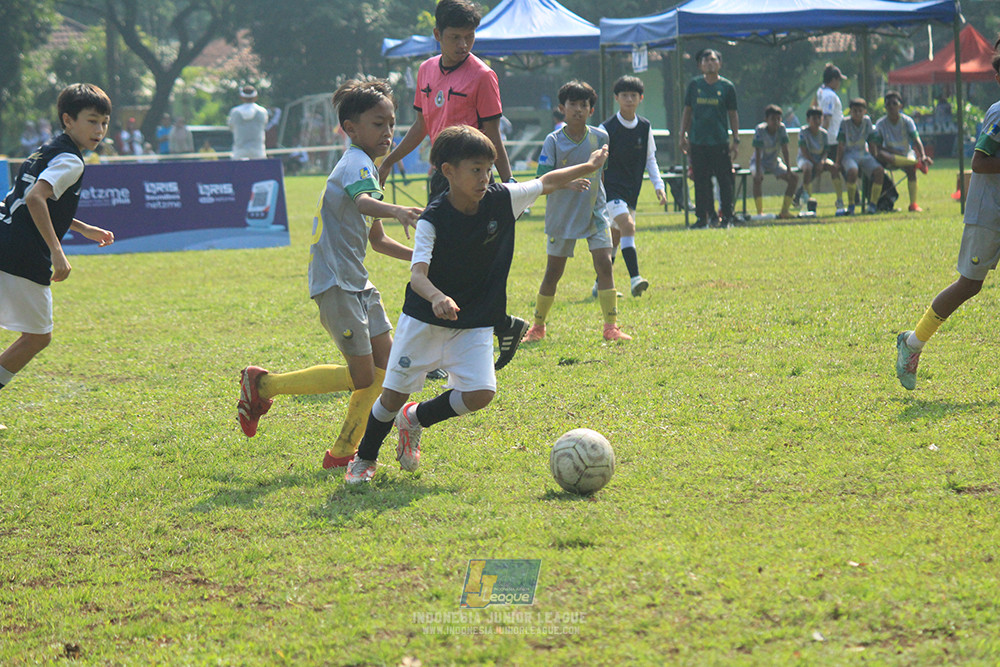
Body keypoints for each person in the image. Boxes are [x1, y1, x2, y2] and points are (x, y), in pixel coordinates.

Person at [343, 125, 609, 483]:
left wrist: (588, 166)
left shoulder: (502, 198)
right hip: (424, 319)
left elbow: (547, 181)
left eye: (488, 168)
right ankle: (364, 459)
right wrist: (437, 296)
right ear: (448, 171)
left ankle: (415, 418)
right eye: (476, 169)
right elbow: (418, 275)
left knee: (481, 393)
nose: (485, 177)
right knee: (391, 396)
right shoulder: (433, 219)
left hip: (475, 319)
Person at [238, 78, 423, 469]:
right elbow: (365, 203)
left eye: (391, 122)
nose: (388, 131)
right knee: (362, 376)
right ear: (350, 128)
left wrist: (422, 259)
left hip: (358, 282)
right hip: (336, 284)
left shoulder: (367, 167)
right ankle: (263, 385)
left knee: (385, 369)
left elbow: (378, 242)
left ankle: (341, 452)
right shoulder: (356, 163)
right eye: (378, 123)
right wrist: (397, 210)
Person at [375, 0, 527, 372]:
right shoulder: (426, 70)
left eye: (470, 37)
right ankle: (498, 327)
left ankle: (475, 336)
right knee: (441, 263)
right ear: (437, 35)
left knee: (456, 264)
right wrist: (391, 159)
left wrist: (506, 184)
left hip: (474, 180)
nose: (464, 44)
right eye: (456, 37)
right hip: (439, 176)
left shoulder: (482, 75)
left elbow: (493, 134)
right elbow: (423, 125)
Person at [0, 84, 116, 421]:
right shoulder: (70, 159)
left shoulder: (45, 150)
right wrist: (57, 251)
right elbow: (36, 199)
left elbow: (26, 198)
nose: (99, 130)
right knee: (38, 337)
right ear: (68, 120)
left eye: (104, 123)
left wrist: (82, 228)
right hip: (21, 253)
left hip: (5, 237)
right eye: (92, 121)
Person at [895, 45, 1000, 391]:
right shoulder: (998, 114)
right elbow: (979, 162)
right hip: (988, 213)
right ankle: (912, 343)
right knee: (969, 285)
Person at [521, 80, 631, 345]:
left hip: (594, 212)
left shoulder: (600, 137)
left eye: (584, 105)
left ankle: (611, 326)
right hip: (563, 214)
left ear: (591, 110)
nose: (579, 110)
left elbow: (600, 176)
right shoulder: (553, 141)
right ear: (562, 108)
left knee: (605, 264)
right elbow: (542, 179)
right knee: (553, 272)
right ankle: (537, 326)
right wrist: (568, 183)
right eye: (573, 104)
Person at [594, 75, 667, 299]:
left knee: (616, 238)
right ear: (616, 98)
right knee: (628, 225)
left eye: (633, 95)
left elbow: (650, 159)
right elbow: (595, 163)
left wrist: (659, 185)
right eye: (624, 95)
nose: (629, 99)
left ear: (640, 98)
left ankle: (600, 285)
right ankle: (635, 279)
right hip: (610, 191)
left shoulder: (645, 127)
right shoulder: (606, 129)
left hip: (631, 191)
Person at [681, 48, 739, 229]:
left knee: (724, 180)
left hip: (719, 141)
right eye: (705, 61)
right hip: (698, 141)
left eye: (713, 60)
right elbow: (687, 111)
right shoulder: (694, 85)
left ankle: (727, 217)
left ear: (720, 64)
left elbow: (733, 114)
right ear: (700, 66)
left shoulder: (727, 87)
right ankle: (703, 217)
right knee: (700, 181)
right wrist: (682, 134)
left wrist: (735, 139)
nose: (709, 63)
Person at [874, 90, 933, 212]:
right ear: (885, 107)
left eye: (894, 103)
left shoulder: (907, 121)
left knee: (911, 171)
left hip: (906, 155)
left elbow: (917, 140)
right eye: (888, 104)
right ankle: (917, 164)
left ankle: (913, 204)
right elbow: (878, 147)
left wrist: (922, 155)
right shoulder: (880, 124)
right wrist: (893, 151)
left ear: (900, 105)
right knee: (880, 156)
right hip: (889, 155)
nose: (891, 106)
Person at [834, 98, 884, 216]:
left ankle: (873, 204)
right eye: (854, 111)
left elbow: (871, 141)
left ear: (864, 111)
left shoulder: (867, 122)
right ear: (850, 111)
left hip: (863, 153)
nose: (857, 113)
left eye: (860, 111)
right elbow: (840, 144)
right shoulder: (844, 123)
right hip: (849, 154)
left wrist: (875, 156)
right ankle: (852, 204)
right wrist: (838, 162)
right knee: (852, 171)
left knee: (879, 171)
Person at [750, 105, 798, 219]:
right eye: (773, 119)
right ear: (766, 120)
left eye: (778, 119)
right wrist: (757, 171)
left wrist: (789, 170)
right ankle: (759, 212)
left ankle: (784, 211)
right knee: (757, 179)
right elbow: (757, 152)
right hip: (759, 162)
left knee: (794, 179)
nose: (776, 122)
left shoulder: (782, 129)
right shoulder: (760, 130)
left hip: (774, 162)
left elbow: (785, 149)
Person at [796, 107, 842, 212]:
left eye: (819, 118)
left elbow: (826, 151)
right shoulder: (803, 132)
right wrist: (815, 163)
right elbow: (804, 151)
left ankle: (839, 199)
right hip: (806, 159)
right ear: (808, 120)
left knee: (833, 167)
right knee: (807, 168)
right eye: (814, 118)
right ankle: (809, 200)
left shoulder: (824, 133)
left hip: (820, 159)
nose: (817, 121)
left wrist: (821, 161)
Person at [816, 64, 847, 211]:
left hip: (831, 137)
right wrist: (822, 138)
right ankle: (843, 199)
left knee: (830, 168)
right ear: (833, 80)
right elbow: (827, 119)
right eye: (838, 80)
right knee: (838, 167)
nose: (839, 83)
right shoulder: (830, 96)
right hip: (833, 138)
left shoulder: (821, 92)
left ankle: (853, 198)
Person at [228, 84, 268, 160]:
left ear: (241, 97)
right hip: (258, 149)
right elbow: (264, 126)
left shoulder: (234, 112)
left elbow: (231, 128)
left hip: (239, 150)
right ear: (256, 97)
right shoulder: (262, 112)